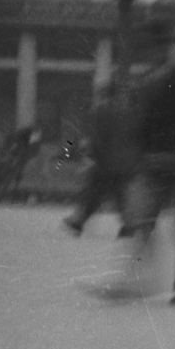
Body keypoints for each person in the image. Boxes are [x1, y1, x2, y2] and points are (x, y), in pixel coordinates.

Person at [107, 34, 175, 304]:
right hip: (162, 162)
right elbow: (141, 125)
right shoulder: (151, 84)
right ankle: (139, 279)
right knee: (141, 220)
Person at [65, 80, 139, 238]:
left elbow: (99, 138)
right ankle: (129, 225)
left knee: (95, 191)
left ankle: (79, 221)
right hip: (125, 162)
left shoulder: (103, 111)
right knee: (117, 194)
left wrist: (94, 154)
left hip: (108, 162)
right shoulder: (129, 112)